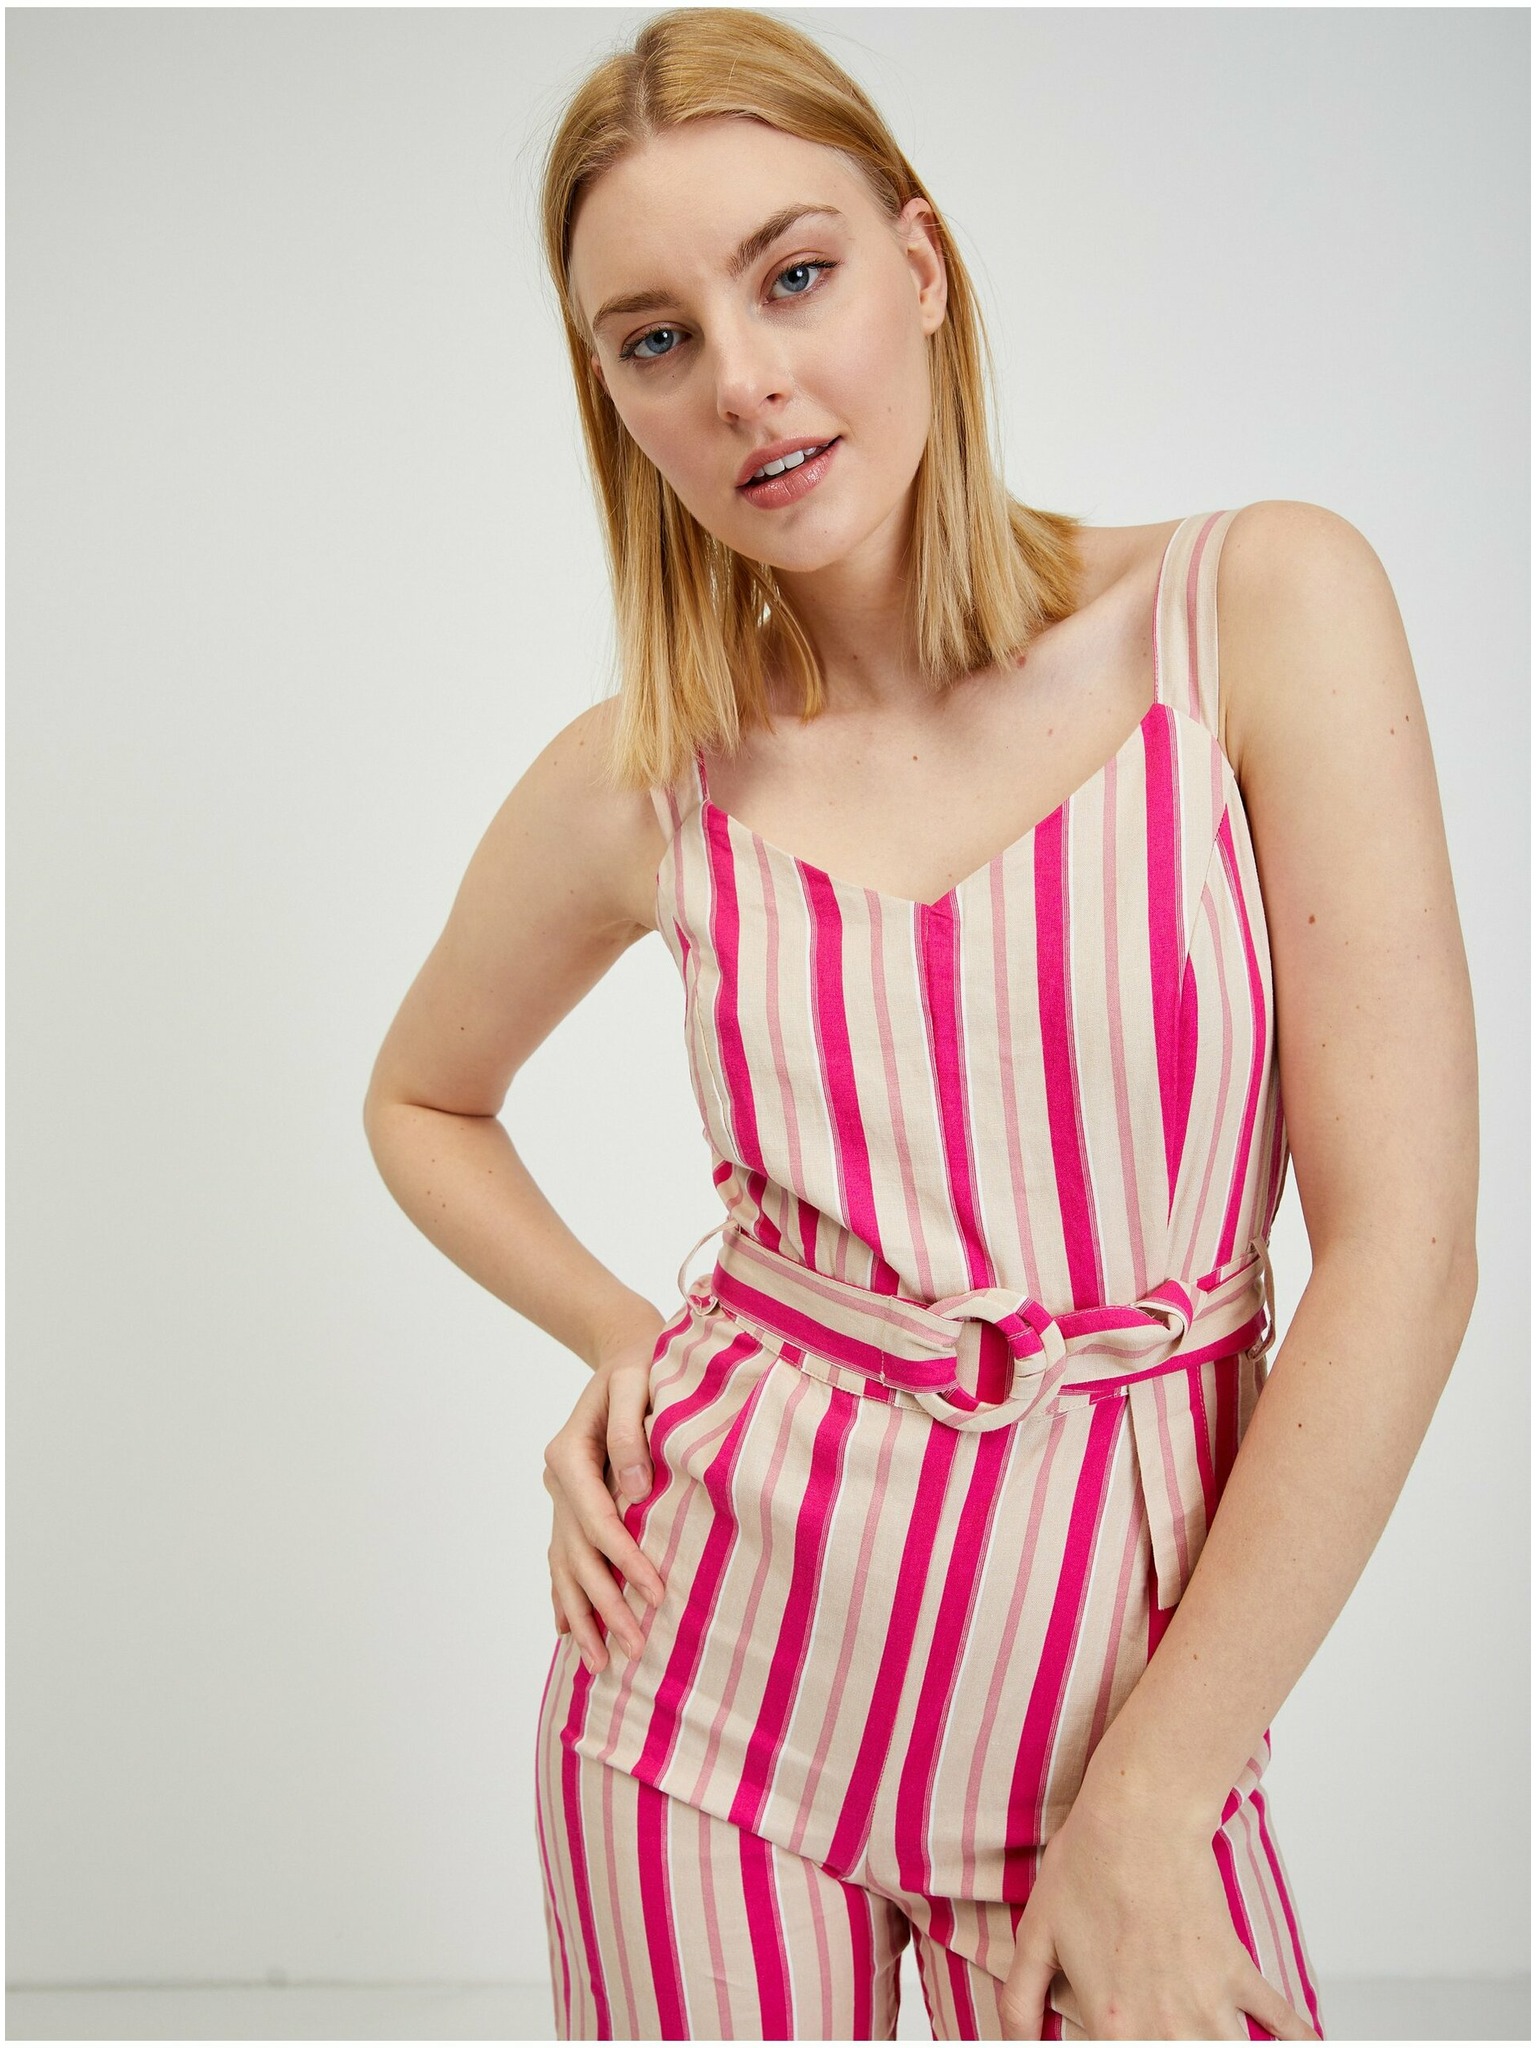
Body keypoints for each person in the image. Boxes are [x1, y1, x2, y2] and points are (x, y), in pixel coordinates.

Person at [362, 8, 1480, 2039]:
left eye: (791, 276)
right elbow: (424, 1097)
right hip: (701, 1699)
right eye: (655, 339)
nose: (741, 380)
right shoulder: (644, 781)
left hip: (1117, 1737)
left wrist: (1158, 1796)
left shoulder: (1254, 614)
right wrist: (624, 1338)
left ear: (924, 264)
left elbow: (1404, 1256)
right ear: (615, 398)